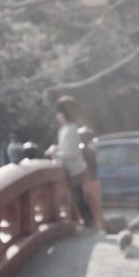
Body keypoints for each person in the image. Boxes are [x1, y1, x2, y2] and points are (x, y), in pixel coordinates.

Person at [45, 96, 95, 228]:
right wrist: (56, 149)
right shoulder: (65, 129)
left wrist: (54, 153)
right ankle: (88, 224)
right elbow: (66, 148)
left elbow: (71, 153)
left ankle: (90, 224)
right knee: (77, 199)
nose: (57, 116)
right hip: (72, 168)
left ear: (63, 114)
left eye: (59, 113)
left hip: (75, 170)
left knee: (79, 199)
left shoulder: (71, 130)